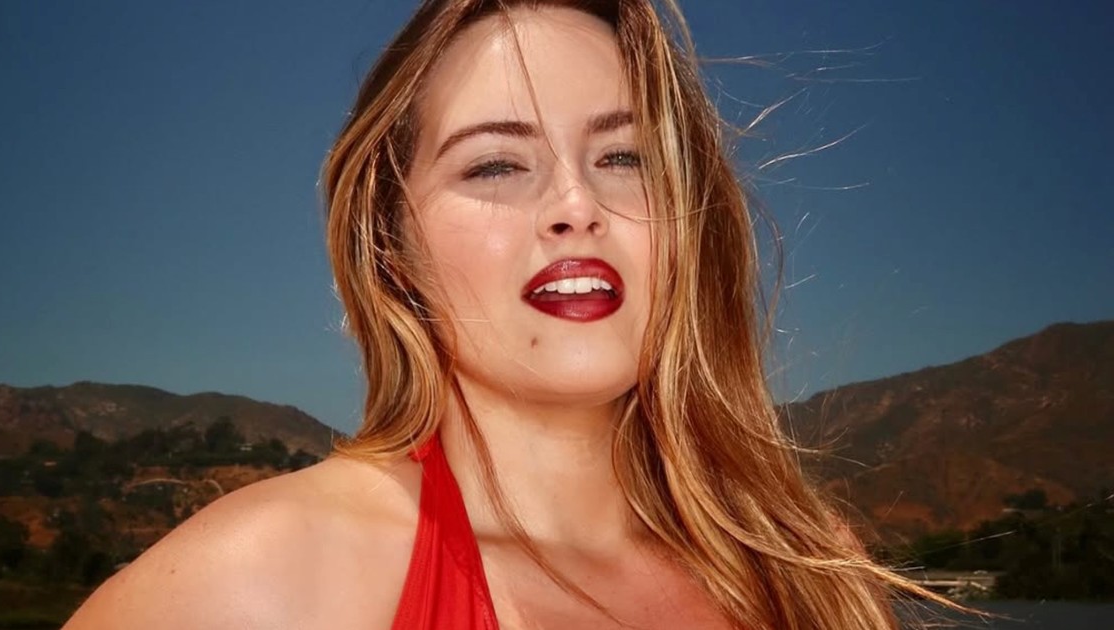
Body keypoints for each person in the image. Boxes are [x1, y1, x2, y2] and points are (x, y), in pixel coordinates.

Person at [64, 1, 956, 628]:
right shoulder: (279, 575)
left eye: (626, 157)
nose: (577, 205)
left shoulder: (811, 572)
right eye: (495, 165)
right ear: (391, 250)